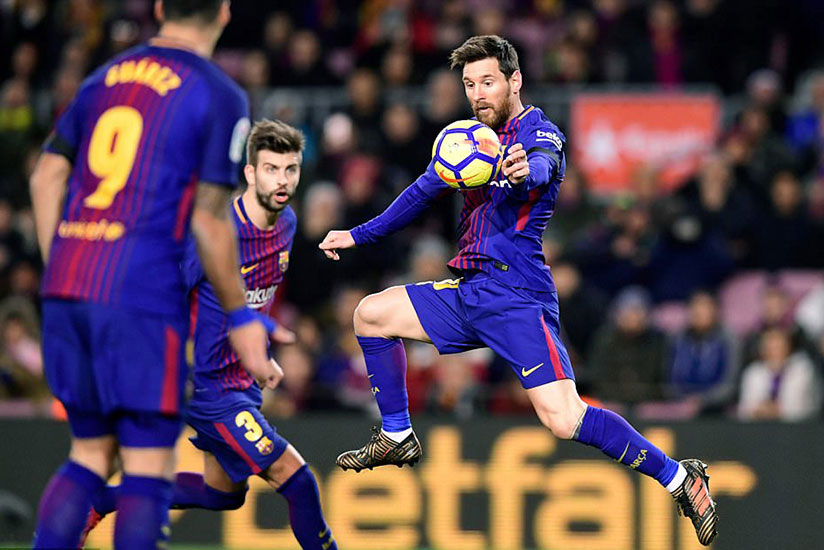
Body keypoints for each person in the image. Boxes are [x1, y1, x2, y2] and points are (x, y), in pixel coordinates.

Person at [319, 35, 719, 546]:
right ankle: (397, 435)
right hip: (469, 289)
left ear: (514, 81)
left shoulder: (539, 133)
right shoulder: (466, 139)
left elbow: (546, 164)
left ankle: (682, 478)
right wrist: (356, 234)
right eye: (469, 85)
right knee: (370, 315)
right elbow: (420, 193)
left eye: (488, 82)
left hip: (516, 297)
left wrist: (526, 168)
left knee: (564, 418)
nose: (478, 94)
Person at [29, 1, 276, 547]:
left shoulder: (104, 78)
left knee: (89, 454)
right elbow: (211, 223)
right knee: (145, 465)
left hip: (69, 282)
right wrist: (241, 315)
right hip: (138, 290)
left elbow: (47, 175)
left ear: (161, 7)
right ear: (226, 13)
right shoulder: (219, 93)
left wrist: (61, 262)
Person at [82, 120, 337, 550]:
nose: (282, 180)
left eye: (291, 169)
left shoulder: (288, 223)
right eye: (271, 169)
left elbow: (248, 301)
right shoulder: (216, 237)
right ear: (250, 173)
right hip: (208, 386)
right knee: (297, 479)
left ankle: (100, 500)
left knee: (223, 495)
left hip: (240, 380)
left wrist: (262, 345)